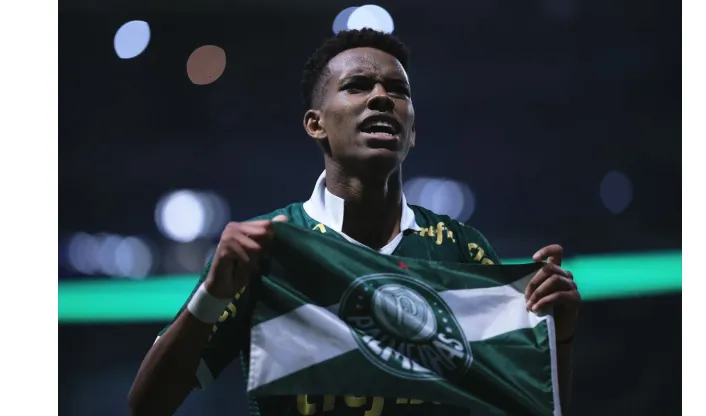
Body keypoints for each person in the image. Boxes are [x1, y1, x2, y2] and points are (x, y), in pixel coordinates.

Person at [128, 28, 581, 416]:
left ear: (413, 131)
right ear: (315, 124)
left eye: (398, 91)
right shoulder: (265, 248)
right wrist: (212, 295)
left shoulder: (461, 249)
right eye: (358, 86)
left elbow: (528, 405)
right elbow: (146, 405)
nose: (382, 97)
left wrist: (556, 338)